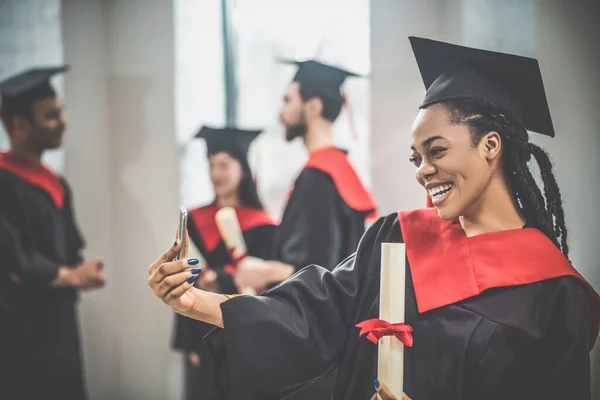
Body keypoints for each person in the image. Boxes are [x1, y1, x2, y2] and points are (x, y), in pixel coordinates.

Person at [148, 37, 600, 400]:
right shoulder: (397, 239)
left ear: (490, 146)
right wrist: (192, 302)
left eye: (437, 151)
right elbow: (310, 311)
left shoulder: (556, 297)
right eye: (416, 157)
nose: (423, 170)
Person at [0, 66, 106, 400]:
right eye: (51, 116)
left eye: (61, 112)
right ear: (17, 126)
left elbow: (70, 250)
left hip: (58, 320)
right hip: (18, 324)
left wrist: (81, 273)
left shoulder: (56, 183)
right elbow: (13, 263)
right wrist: (73, 276)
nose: (63, 123)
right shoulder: (4, 181)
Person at [233, 59, 377, 293]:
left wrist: (263, 272)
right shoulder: (337, 169)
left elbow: (316, 271)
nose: (282, 112)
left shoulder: (318, 178)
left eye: (288, 100)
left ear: (313, 108)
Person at [172, 126, 277, 400]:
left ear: (242, 168)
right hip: (200, 328)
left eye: (223, 165)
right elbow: (183, 278)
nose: (216, 173)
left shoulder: (264, 226)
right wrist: (189, 342)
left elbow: (266, 282)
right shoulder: (193, 220)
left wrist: (221, 277)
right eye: (211, 165)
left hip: (243, 328)